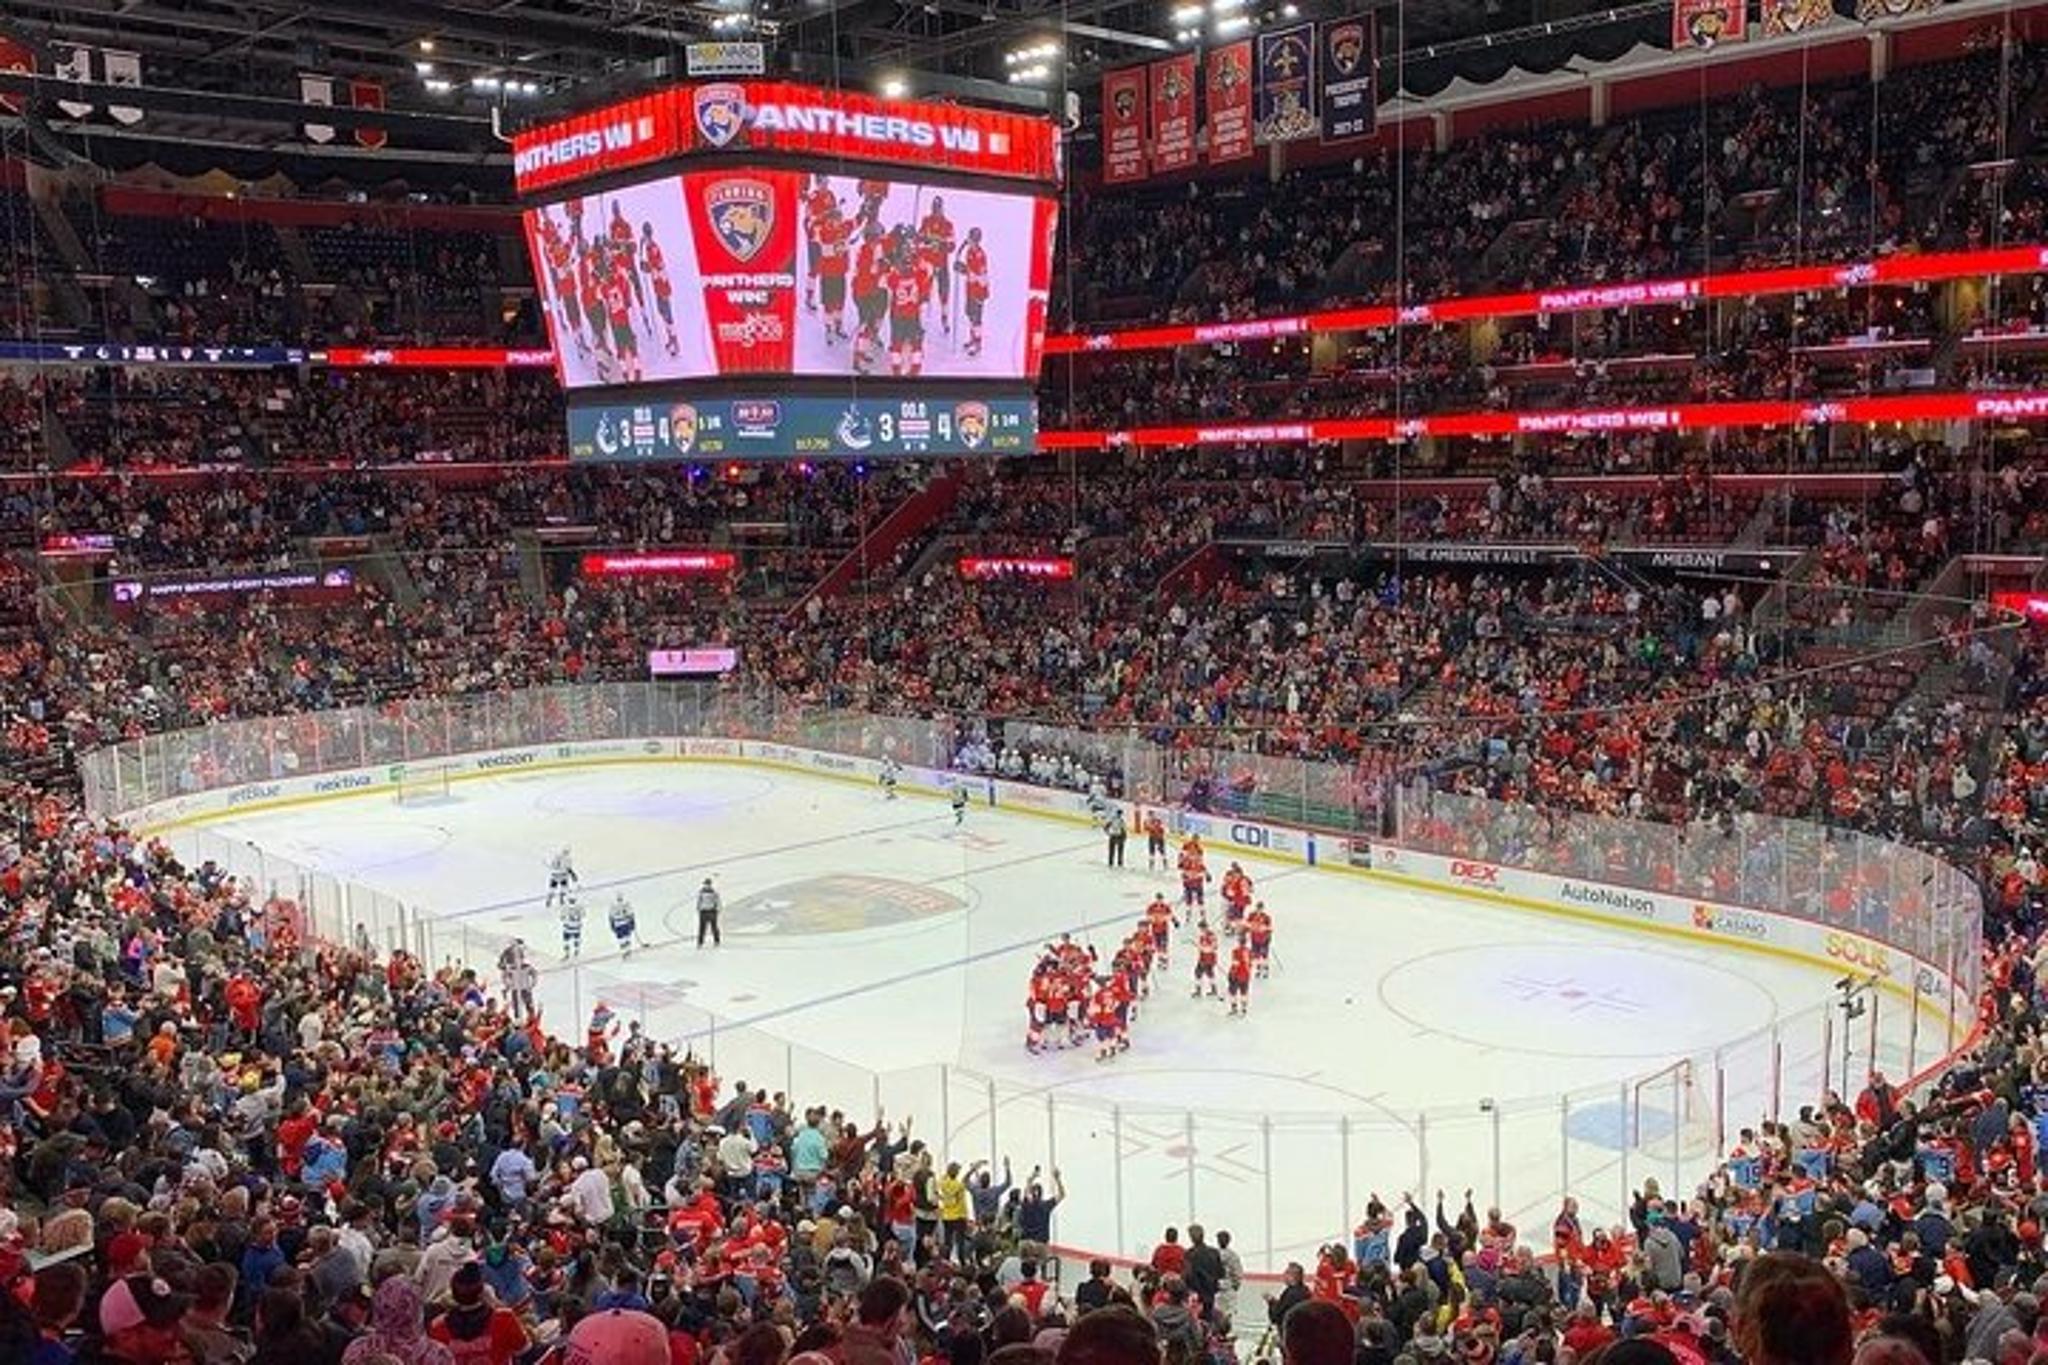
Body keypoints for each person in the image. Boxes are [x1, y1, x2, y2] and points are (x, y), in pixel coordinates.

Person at [697, 877, 722, 948]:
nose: (706, 885)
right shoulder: (702, 892)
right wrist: (699, 908)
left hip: (709, 911)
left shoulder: (713, 893)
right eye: (706, 884)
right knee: (704, 928)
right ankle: (701, 942)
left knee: (712, 927)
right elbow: (699, 901)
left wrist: (717, 909)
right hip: (706, 911)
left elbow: (717, 902)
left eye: (707, 884)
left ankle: (715, 941)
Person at [560, 890, 585, 959]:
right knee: (576, 939)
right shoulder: (579, 906)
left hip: (567, 927)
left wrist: (564, 920)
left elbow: (561, 917)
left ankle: (567, 953)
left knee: (566, 941)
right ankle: (576, 951)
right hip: (576, 927)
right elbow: (583, 915)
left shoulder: (565, 907)